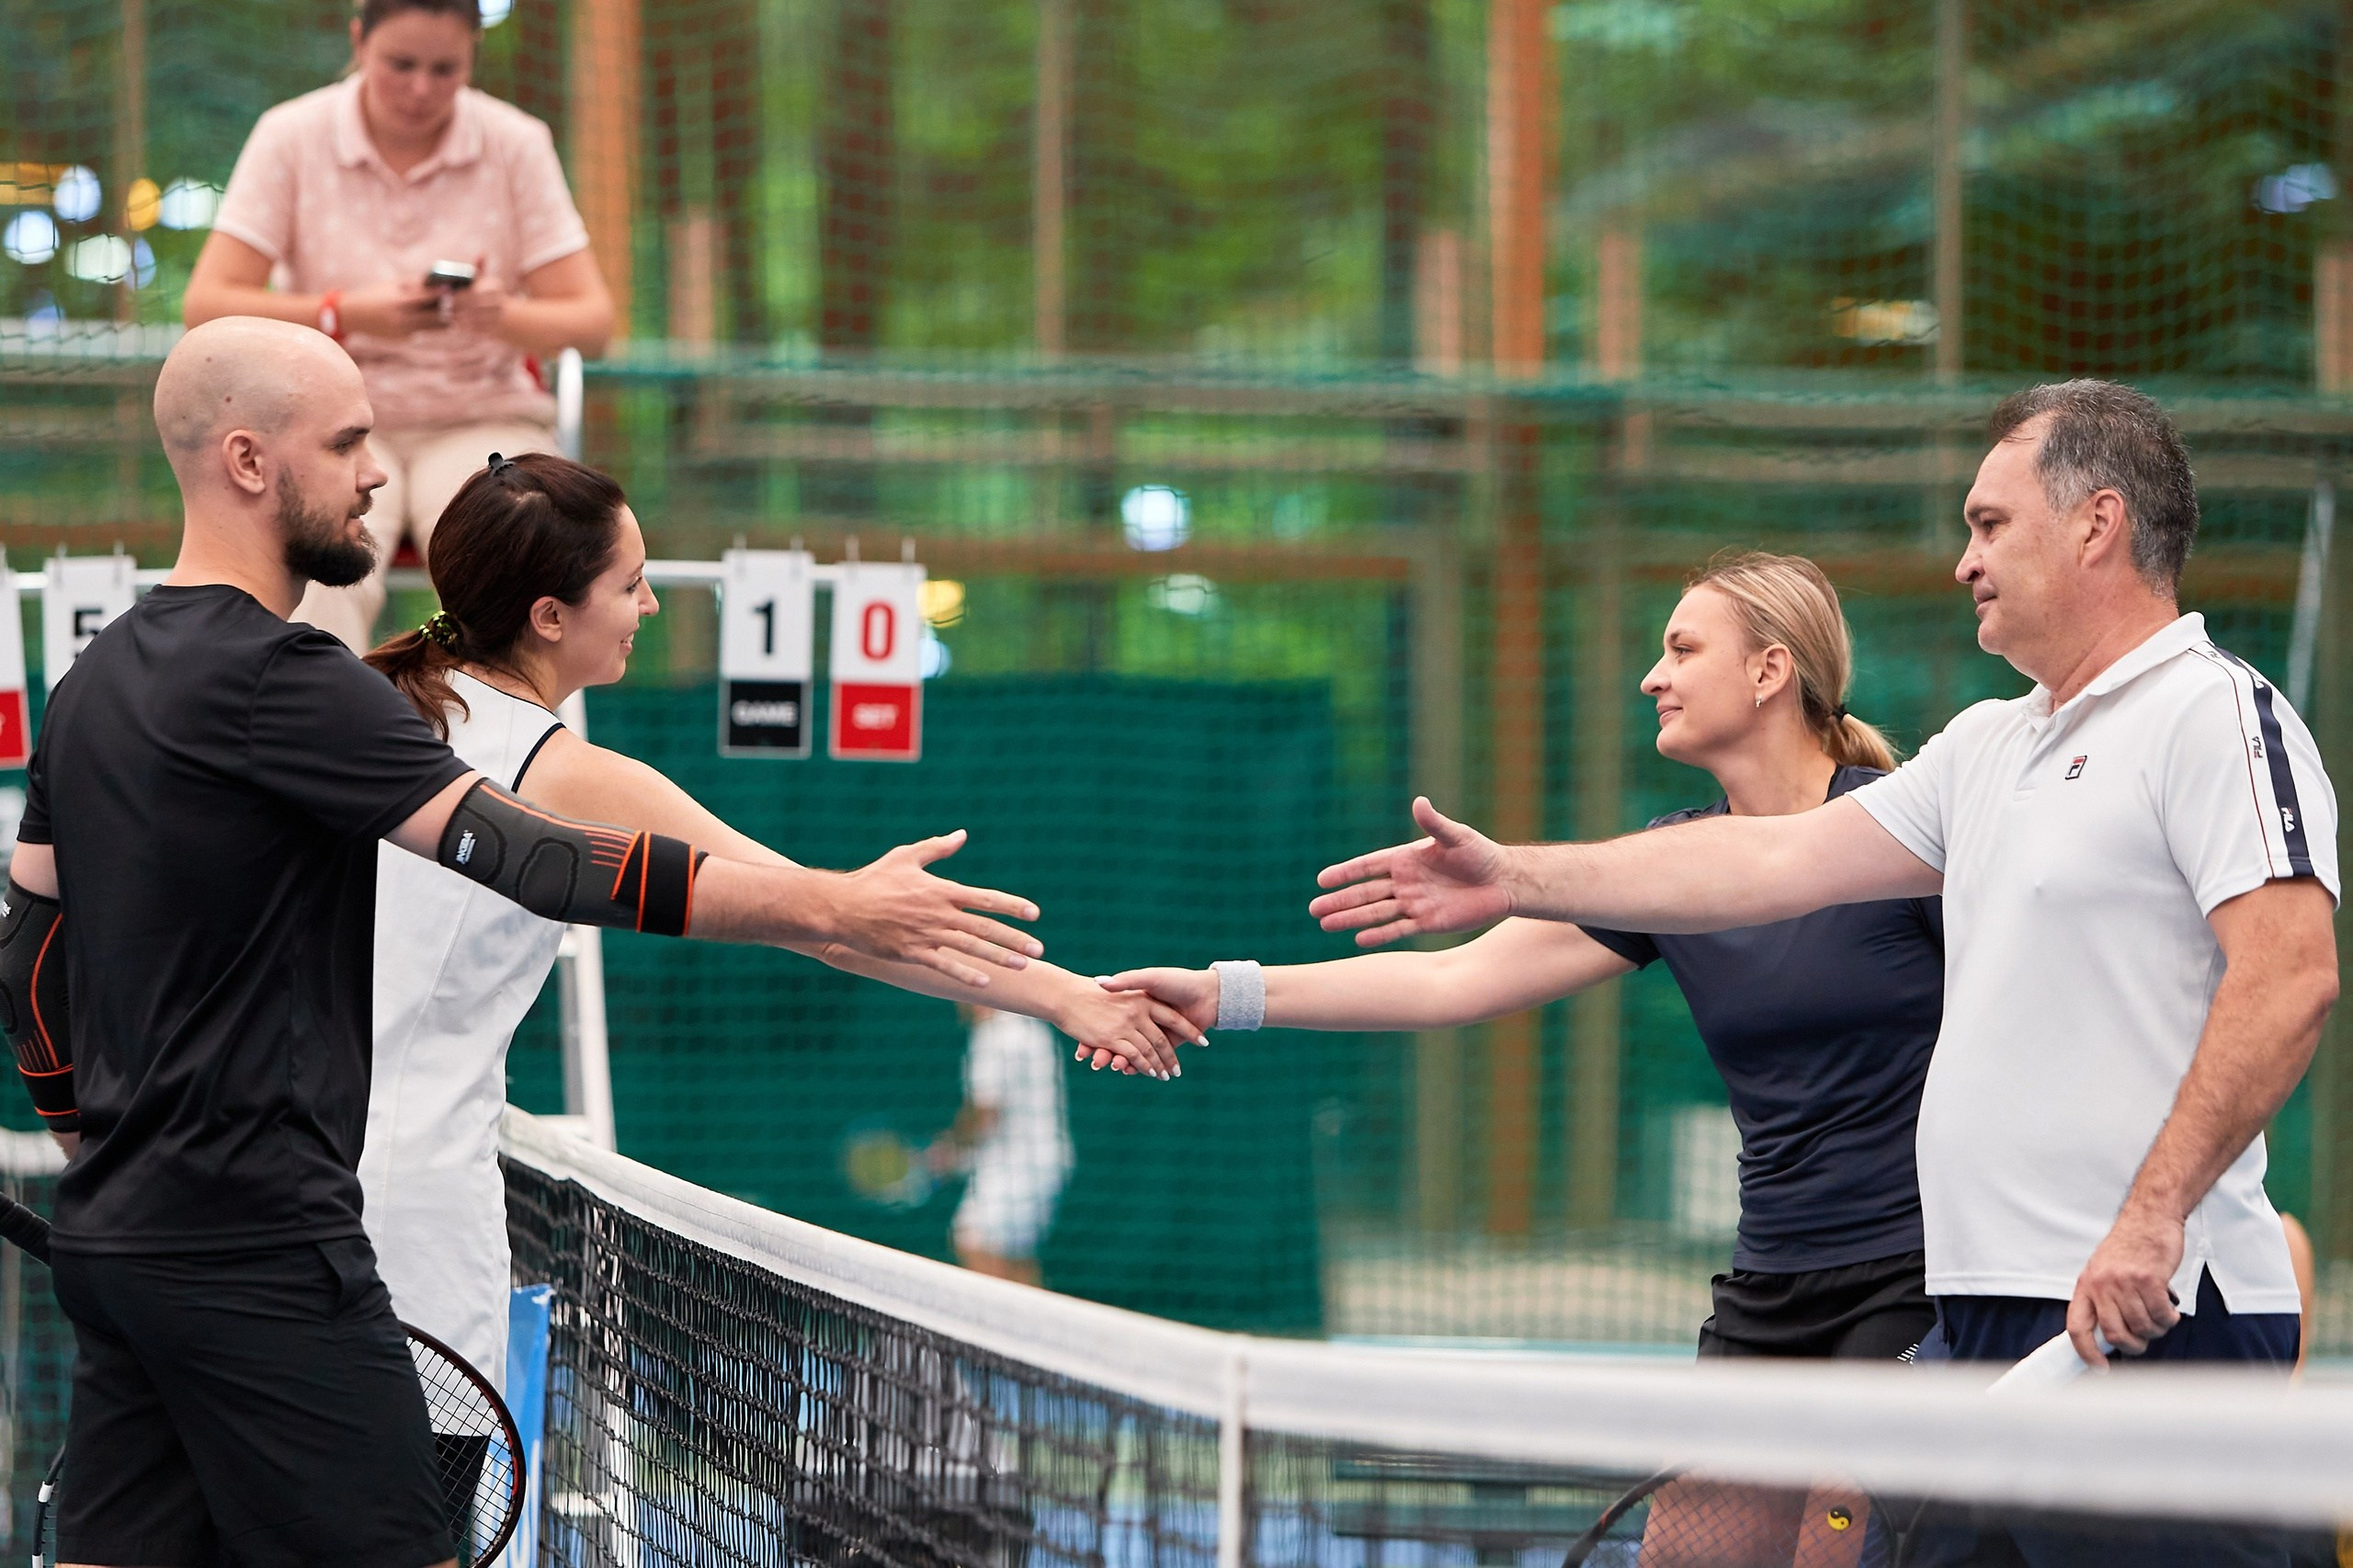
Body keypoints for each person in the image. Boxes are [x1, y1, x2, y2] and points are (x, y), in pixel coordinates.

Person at [0, 315, 1092, 1568]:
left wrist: (96, 1139)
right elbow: (530, 858)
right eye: (351, 440)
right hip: (281, 1244)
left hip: (125, 1236)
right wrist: (826, 905)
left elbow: (28, 957)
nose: (377, 472)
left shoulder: (96, 681)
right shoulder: (296, 685)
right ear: (249, 460)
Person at [1311, 381, 2337, 1567]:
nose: (1965, 561)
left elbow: (2289, 977)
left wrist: (2153, 1221)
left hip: (2148, 1319)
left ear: (2097, 523)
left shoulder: (2215, 714)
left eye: (1990, 524)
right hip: (1979, 1329)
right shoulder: (1987, 746)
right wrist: (1516, 876)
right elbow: (1771, 861)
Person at [1109, 553, 1941, 1565]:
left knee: (1838, 1551)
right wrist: (1224, 990)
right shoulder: (1670, 865)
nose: (1651, 673)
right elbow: (1443, 984)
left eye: (1681, 648)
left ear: (1769, 671)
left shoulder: (1909, 832)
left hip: (1919, 1277)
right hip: (1770, 1283)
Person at [358, 452, 1195, 1385]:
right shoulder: (564, 771)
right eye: (631, 584)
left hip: (264, 1183)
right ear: (549, 616)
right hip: (400, 1218)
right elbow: (832, 920)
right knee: (413, 1529)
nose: (652, 605)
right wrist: (1067, 996)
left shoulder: (358, 703)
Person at [184, 0, 613, 654]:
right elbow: (206, 303)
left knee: (519, 569)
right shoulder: (291, 134)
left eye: (445, 69)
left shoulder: (515, 141)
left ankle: (532, 753)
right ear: (358, 41)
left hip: (481, 417)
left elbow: (594, 322)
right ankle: (324, 738)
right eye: (400, 64)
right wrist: (345, 313)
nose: (421, 88)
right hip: (331, 422)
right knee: (320, 574)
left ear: (473, 56)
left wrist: (501, 315)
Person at [926, 1006, 1074, 1287]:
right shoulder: (1032, 1028)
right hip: (1045, 1163)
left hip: (1018, 1168)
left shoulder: (994, 1034)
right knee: (1016, 1259)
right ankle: (1039, 1329)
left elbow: (985, 1112)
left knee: (973, 1240)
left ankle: (986, 1330)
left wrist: (948, 1149)